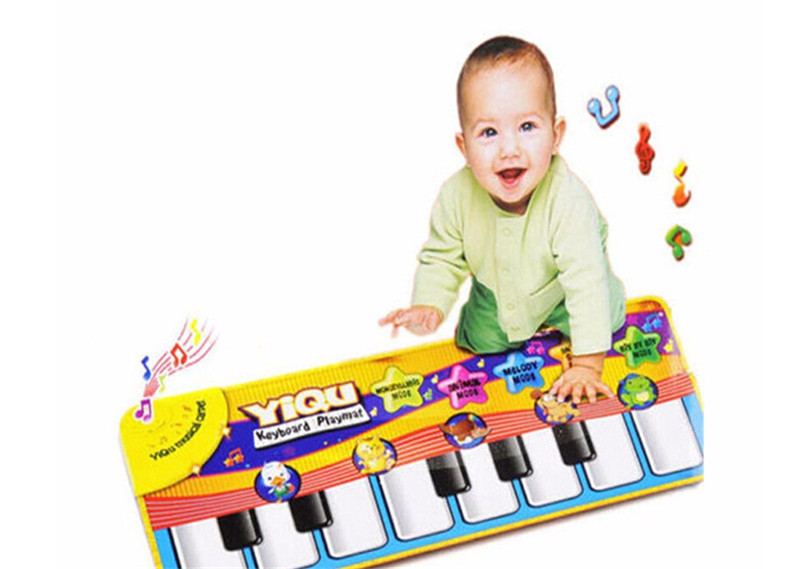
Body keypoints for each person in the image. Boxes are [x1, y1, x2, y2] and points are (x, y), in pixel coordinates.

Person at [379, 36, 626, 405]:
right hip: (496, 295)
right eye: (489, 133)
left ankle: (590, 338)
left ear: (556, 136)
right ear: (464, 148)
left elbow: (585, 281)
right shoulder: (456, 195)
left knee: (603, 315)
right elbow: (443, 257)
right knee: (477, 340)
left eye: (527, 126)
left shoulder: (568, 200)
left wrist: (588, 366)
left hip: (564, 293)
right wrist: (429, 304)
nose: (509, 149)